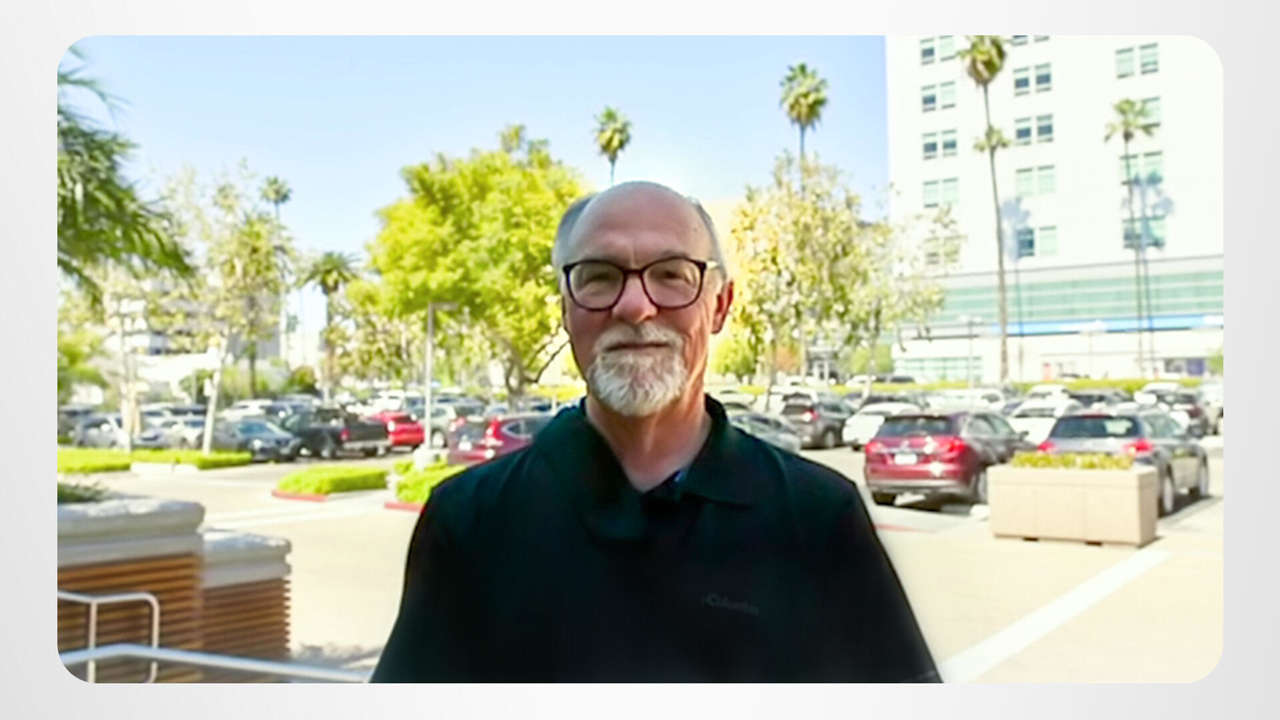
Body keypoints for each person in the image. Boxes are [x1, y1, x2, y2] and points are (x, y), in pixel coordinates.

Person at [372, 181, 939, 682]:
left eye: (671, 275)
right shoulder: (470, 521)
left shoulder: (818, 518)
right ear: (565, 309)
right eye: (599, 277)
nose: (635, 306)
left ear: (720, 305)